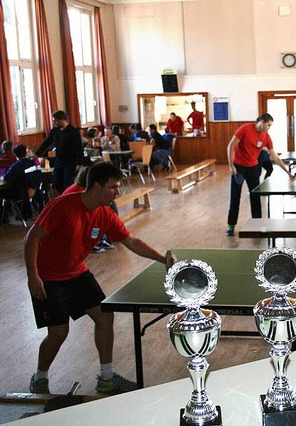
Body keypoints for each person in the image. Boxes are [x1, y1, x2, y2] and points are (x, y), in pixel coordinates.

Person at [24, 161, 176, 395]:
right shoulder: (63, 206)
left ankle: (106, 377)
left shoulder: (105, 214)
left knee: (105, 316)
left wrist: (161, 259)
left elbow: (131, 241)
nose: (118, 192)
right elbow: (31, 238)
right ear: (96, 186)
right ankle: (40, 378)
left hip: (77, 273)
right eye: (114, 187)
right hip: (48, 279)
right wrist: (32, 276)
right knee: (59, 333)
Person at [226, 113, 294, 236]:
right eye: (268, 125)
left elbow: (274, 156)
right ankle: (231, 225)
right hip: (239, 167)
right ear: (262, 122)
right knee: (235, 197)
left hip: (253, 168)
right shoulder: (245, 128)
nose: (269, 128)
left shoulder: (266, 137)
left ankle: (257, 225)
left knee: (255, 196)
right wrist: (231, 166)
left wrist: (287, 171)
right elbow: (231, 146)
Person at [35, 110, 83, 193]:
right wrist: (37, 153)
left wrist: (80, 163)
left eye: (55, 121)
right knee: (57, 183)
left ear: (62, 120)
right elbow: (47, 142)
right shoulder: (55, 131)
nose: (54, 123)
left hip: (70, 161)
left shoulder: (73, 131)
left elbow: (79, 148)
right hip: (59, 160)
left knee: (67, 184)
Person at [0, 144, 37, 222]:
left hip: (19, 192)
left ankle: (4, 218)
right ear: (25, 152)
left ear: (15, 154)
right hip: (30, 190)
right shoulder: (32, 163)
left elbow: (7, 178)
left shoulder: (16, 166)